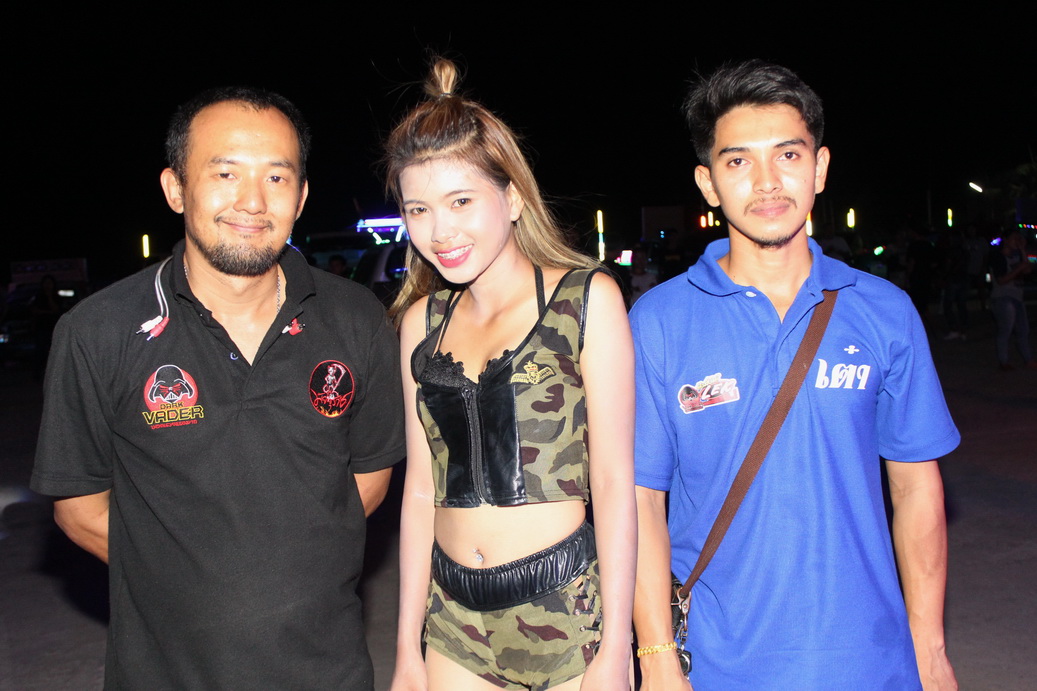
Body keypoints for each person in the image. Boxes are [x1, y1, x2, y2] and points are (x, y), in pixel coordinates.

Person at [30, 86, 405, 689]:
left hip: (329, 670)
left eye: (276, 178)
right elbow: (80, 509)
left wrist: (290, 567)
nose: (252, 201)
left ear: (302, 196)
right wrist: (198, 578)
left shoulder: (358, 319)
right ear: (176, 188)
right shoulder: (97, 332)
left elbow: (367, 479)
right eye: (226, 173)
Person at [631, 61, 960, 690]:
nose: (767, 182)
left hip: (871, 662)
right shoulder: (658, 322)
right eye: (738, 161)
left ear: (820, 167)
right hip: (717, 666)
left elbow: (917, 488)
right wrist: (657, 657)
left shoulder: (884, 311)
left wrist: (930, 645)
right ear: (707, 183)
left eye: (787, 155)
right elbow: (640, 500)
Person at [386, 59, 636, 690]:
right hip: (453, 619)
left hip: (563, 611)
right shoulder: (421, 323)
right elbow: (419, 491)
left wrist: (617, 646)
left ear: (514, 197)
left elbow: (613, 482)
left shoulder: (586, 300)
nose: (440, 230)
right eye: (418, 209)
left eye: (461, 201)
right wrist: (407, 649)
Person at [989, 228, 1034, 370]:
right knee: (1006, 330)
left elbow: (1027, 270)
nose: (1017, 241)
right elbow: (1001, 280)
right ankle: (1004, 362)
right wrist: (1019, 268)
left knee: (1023, 330)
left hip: (1017, 297)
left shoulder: (1017, 255)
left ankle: (1028, 360)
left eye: (1019, 238)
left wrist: (1023, 251)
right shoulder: (998, 257)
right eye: (1015, 238)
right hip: (1002, 297)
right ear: (1006, 240)